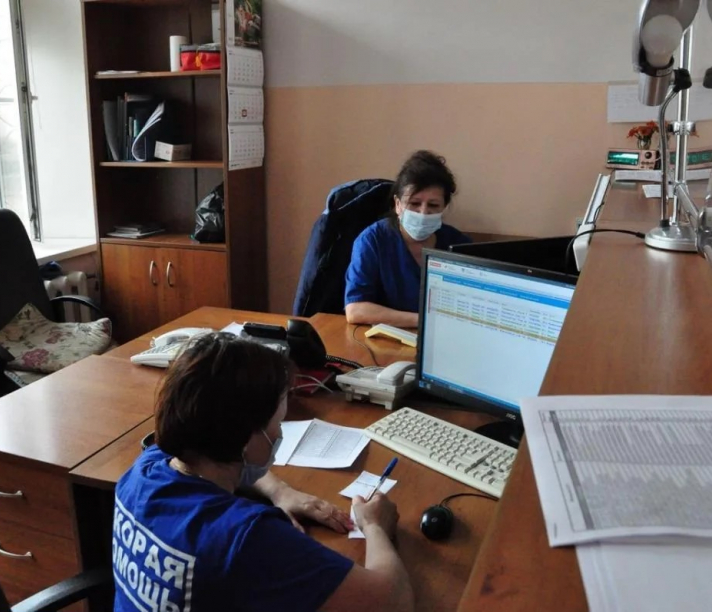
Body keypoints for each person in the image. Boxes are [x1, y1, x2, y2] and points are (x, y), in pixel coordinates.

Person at [112, 333, 414, 612]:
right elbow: (392, 602)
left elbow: (217, 464)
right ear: (246, 437)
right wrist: (375, 526)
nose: (280, 433)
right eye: (277, 423)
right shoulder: (249, 537)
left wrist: (280, 491)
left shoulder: (145, 468)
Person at [344, 150, 471, 328]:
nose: (423, 212)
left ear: (444, 207)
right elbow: (355, 310)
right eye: (414, 203)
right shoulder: (373, 241)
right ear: (398, 205)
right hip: (385, 339)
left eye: (433, 205)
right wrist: (422, 321)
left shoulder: (458, 244)